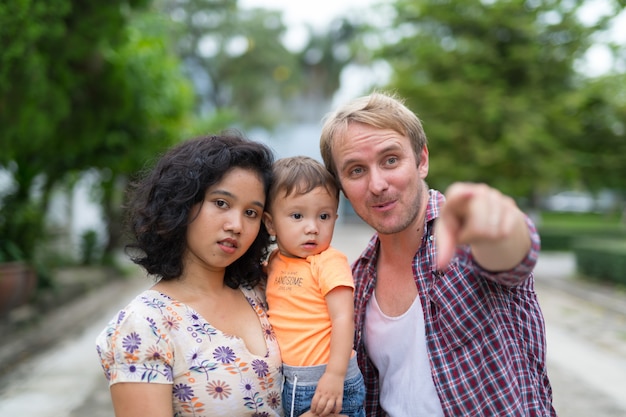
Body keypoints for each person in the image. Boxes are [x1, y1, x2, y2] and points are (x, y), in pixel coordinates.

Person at [319, 92, 556, 416]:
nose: (377, 184)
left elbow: (513, 254)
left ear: (422, 160)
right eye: (356, 170)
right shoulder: (355, 279)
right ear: (342, 187)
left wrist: (502, 223)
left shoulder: (464, 234)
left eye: (390, 160)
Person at [95, 133, 284, 417]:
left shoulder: (261, 291)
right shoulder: (145, 325)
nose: (236, 225)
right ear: (182, 203)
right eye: (221, 203)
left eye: (251, 212)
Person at [262, 156, 365, 417]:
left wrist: (334, 375)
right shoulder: (274, 262)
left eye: (324, 216)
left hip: (327, 379)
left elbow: (344, 319)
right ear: (271, 223)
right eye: (297, 215)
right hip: (292, 380)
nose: (312, 228)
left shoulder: (328, 261)